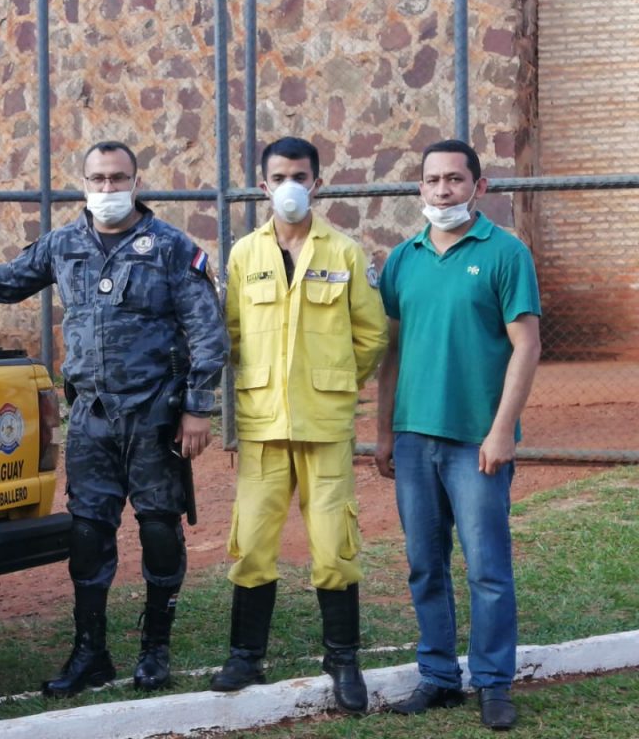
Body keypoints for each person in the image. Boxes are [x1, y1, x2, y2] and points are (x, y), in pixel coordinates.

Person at [0, 140, 228, 697]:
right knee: (88, 536)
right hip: (90, 417)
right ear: (83, 183)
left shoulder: (170, 248)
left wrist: (196, 408)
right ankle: (91, 654)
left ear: (136, 182)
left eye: (118, 178)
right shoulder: (64, 244)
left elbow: (208, 331)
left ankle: (154, 651)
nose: (108, 189)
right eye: (98, 178)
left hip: (153, 416)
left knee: (160, 530)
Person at [210, 137, 388, 715]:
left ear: (318, 183)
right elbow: (231, 335)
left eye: (301, 175)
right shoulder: (243, 255)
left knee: (334, 547)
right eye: (279, 174)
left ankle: (342, 659)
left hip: (326, 422)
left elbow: (372, 334)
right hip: (263, 425)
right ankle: (244, 656)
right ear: (262, 184)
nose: (290, 184)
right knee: (254, 545)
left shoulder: (344, 251)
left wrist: (334, 382)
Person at [375, 139, 542, 730]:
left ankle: (494, 684)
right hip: (414, 440)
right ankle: (439, 677)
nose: (442, 190)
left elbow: (527, 344)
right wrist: (384, 431)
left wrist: (501, 432)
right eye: (432, 180)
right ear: (419, 188)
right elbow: (391, 352)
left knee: (487, 568)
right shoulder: (403, 259)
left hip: (477, 440)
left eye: (454, 179)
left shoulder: (505, 254)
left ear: (480, 186)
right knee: (425, 564)